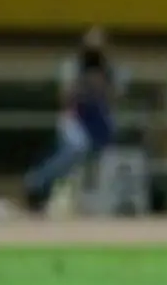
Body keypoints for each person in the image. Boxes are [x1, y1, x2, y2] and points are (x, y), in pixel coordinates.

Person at [23, 26, 120, 213]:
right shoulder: (72, 67)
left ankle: (86, 200)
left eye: (99, 47)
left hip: (99, 120)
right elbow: (65, 98)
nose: (95, 52)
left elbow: (113, 98)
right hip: (75, 118)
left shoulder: (110, 70)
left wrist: (103, 84)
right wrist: (84, 85)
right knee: (76, 149)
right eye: (91, 47)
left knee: (99, 159)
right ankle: (36, 182)